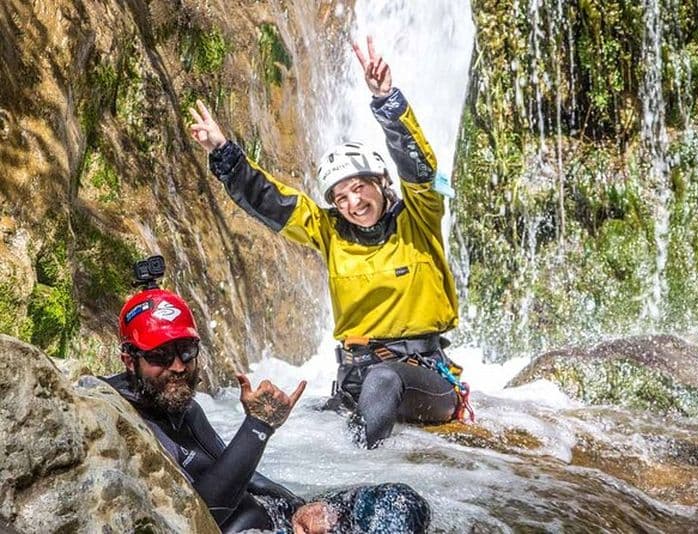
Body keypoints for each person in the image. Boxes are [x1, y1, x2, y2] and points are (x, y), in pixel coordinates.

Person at [188, 36, 472, 449]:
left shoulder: (419, 217)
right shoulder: (329, 231)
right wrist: (224, 152)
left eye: (360, 188)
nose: (354, 203)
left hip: (421, 377)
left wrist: (387, 101)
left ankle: (359, 468)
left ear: (380, 183)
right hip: (356, 379)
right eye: (341, 197)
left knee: (384, 379)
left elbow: (418, 166)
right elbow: (271, 201)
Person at [104, 273, 430, 533]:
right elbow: (198, 516)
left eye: (186, 351)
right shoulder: (121, 419)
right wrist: (258, 426)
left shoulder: (180, 404)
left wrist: (300, 506)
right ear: (129, 360)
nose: (177, 366)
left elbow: (245, 475)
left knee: (400, 501)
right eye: (160, 355)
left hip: (278, 517)